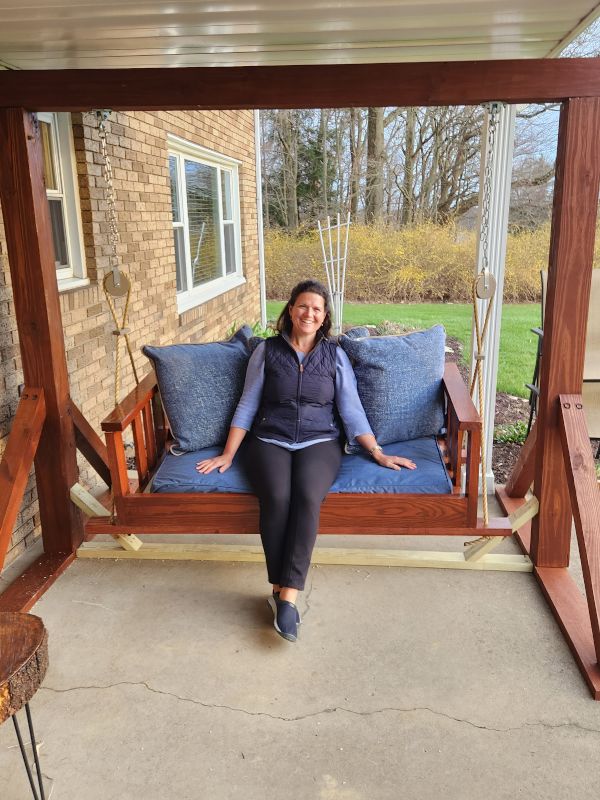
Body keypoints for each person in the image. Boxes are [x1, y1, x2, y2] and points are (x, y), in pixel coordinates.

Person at [197, 280, 416, 642]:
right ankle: (277, 585)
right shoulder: (266, 352)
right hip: (269, 439)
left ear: (324, 316)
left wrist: (376, 451)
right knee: (278, 498)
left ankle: (288, 596)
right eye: (302, 306)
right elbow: (248, 404)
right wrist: (228, 453)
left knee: (308, 497)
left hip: (320, 441)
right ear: (290, 310)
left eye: (316, 308)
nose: (308, 313)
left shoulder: (335, 355)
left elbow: (350, 408)